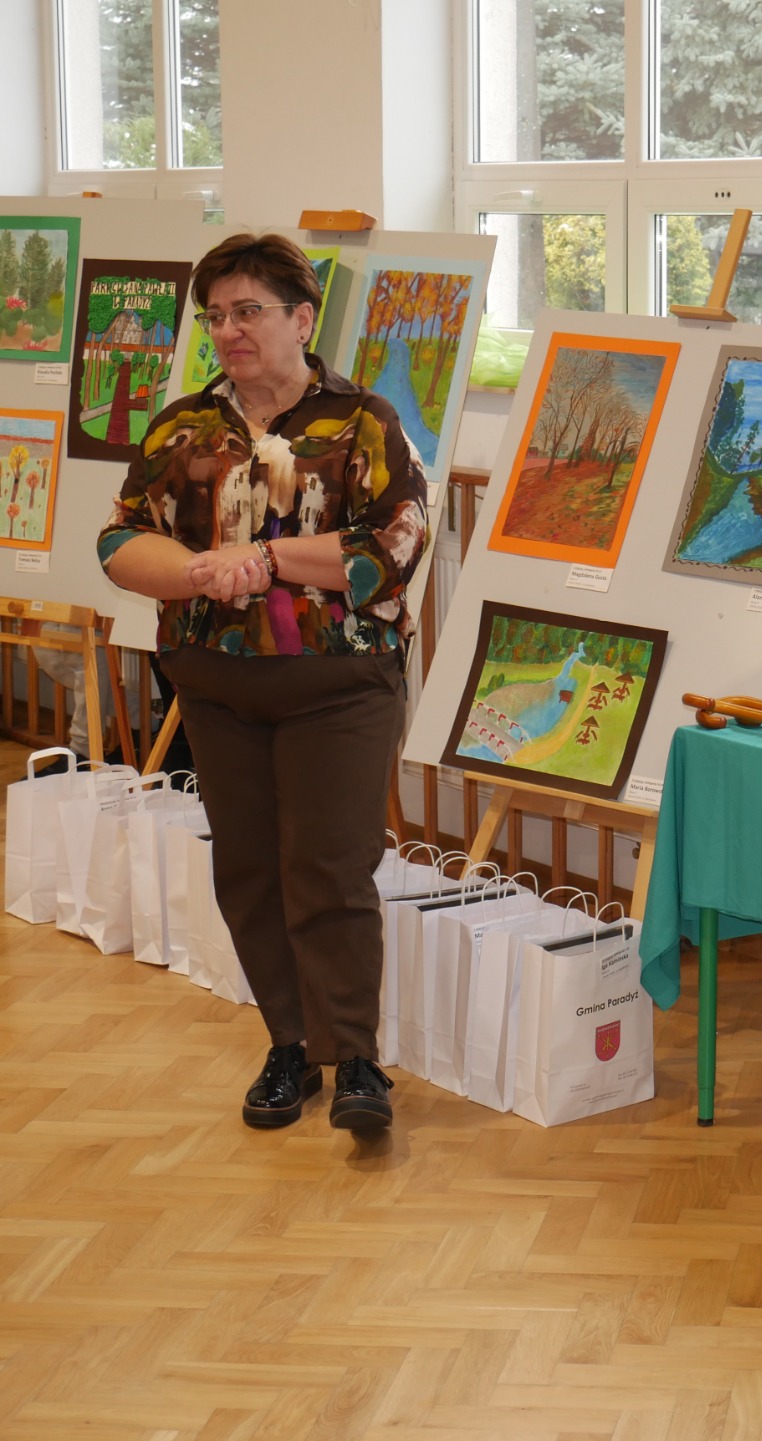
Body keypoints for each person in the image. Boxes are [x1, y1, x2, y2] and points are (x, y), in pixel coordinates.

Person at [97, 232, 428, 1132]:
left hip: (339, 685)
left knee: (330, 870)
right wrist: (200, 570)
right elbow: (120, 541)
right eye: (215, 316)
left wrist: (269, 558)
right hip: (216, 688)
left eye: (248, 311)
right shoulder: (182, 427)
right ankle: (290, 1045)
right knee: (248, 872)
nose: (229, 331)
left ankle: (355, 1058)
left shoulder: (363, 421)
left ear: (302, 319)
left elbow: (392, 550)